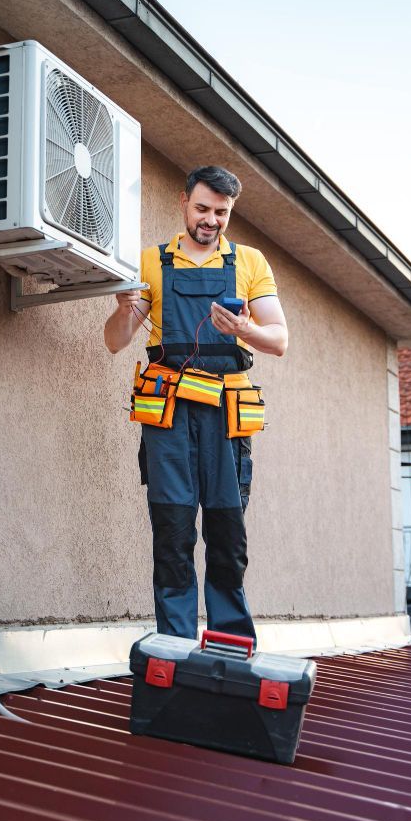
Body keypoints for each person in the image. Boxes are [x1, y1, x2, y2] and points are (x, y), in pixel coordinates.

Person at [104, 165, 288, 646]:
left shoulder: (249, 262)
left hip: (226, 414)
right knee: (172, 530)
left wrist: (243, 330)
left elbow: (279, 339)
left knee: (227, 534)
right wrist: (125, 309)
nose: (210, 220)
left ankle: (229, 648)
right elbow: (114, 342)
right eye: (203, 208)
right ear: (183, 201)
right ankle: (177, 645)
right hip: (169, 414)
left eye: (221, 212)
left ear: (231, 212)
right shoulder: (150, 262)